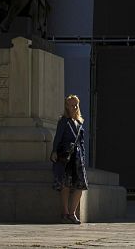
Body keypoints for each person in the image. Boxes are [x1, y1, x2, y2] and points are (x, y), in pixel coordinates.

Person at [51, 94, 89, 224]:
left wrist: (83, 159)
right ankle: (65, 213)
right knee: (65, 185)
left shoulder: (79, 122)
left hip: (78, 158)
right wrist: (54, 151)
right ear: (67, 106)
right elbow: (58, 137)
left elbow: (82, 143)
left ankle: (73, 213)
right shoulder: (63, 121)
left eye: (76, 104)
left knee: (80, 186)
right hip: (67, 157)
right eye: (72, 104)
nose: (74, 107)